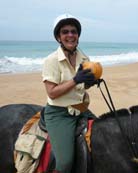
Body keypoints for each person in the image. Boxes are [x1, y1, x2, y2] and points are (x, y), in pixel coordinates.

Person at [42, 14, 96, 173]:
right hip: (60, 113)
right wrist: (76, 79)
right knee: (65, 163)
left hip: (81, 109)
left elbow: (82, 87)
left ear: (78, 35)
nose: (70, 35)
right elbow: (51, 93)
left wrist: (90, 82)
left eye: (74, 31)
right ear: (58, 37)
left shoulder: (84, 57)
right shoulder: (51, 61)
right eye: (65, 32)